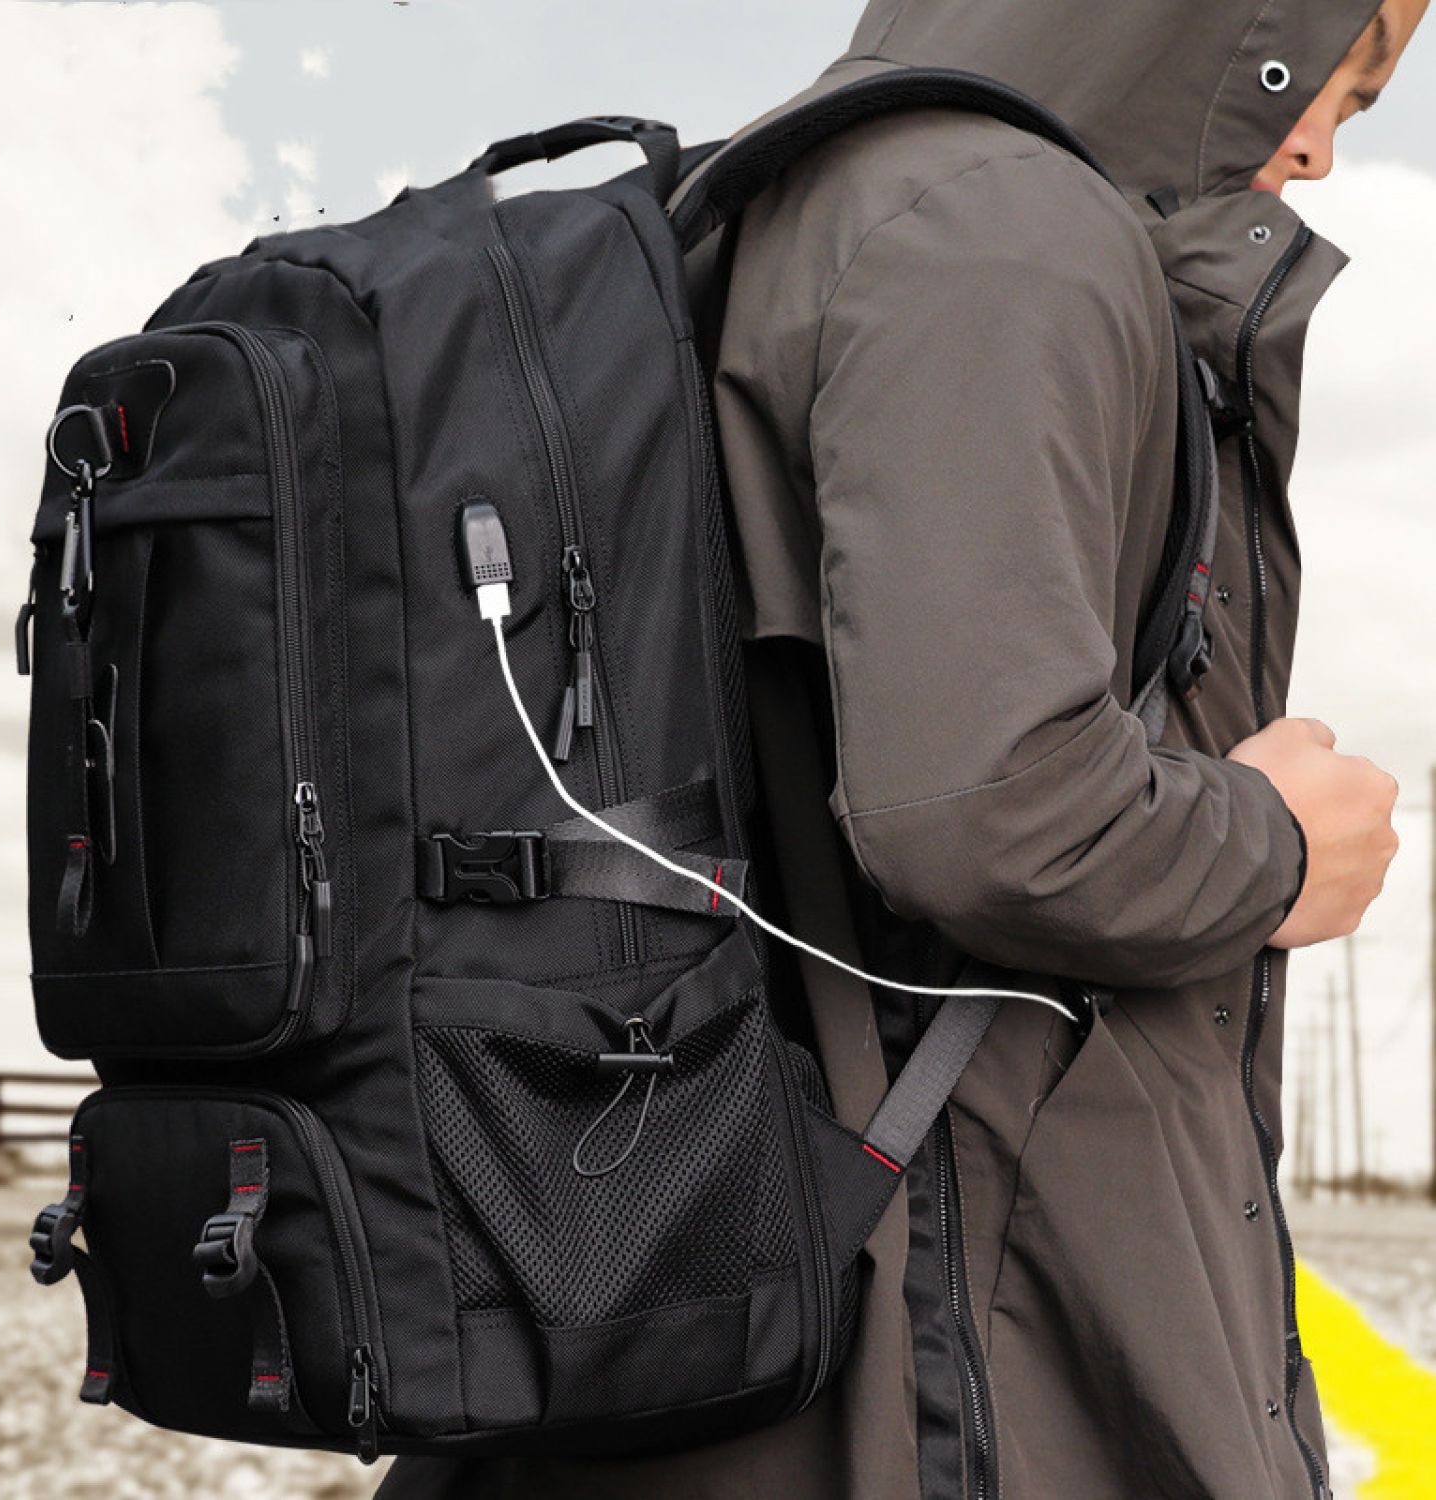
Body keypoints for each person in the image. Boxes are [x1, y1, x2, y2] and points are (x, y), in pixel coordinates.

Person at [379, 1, 1420, 1496]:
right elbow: (990, 808)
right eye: (1342, 72)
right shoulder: (1001, 231)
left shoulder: (751, 202)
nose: (1316, 145)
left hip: (705, 1274)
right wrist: (1282, 846)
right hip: (953, 1347)